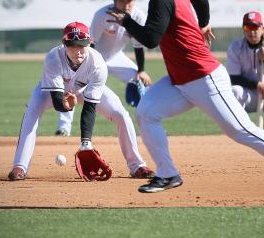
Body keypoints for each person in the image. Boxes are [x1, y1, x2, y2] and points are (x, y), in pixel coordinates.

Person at [108, 0, 264, 205]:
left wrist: (127, 20)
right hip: (180, 81)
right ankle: (167, 173)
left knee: (241, 131)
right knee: (146, 112)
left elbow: (150, 39)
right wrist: (204, 22)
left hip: (205, 79)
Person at [8, 22, 154, 181]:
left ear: (90, 43)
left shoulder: (98, 64)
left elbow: (90, 107)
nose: (77, 51)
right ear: (64, 44)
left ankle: (137, 165)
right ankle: (20, 166)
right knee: (32, 111)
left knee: (121, 114)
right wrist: (64, 106)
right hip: (52, 93)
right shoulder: (53, 59)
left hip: (85, 91)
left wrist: (86, 143)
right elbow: (57, 101)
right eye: (72, 46)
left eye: (82, 45)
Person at [55, 0, 152, 136]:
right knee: (73, 85)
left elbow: (138, 46)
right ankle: (63, 128)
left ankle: (148, 127)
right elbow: (90, 43)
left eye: (129, 0)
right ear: (114, 0)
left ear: (134, 1)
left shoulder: (138, 16)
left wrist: (141, 70)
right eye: (121, 0)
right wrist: (86, 67)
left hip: (116, 57)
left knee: (142, 82)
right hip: (96, 56)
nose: (125, 4)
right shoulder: (102, 14)